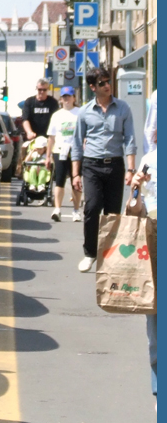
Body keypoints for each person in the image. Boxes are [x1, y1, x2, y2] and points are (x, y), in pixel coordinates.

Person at [71, 66, 138, 272]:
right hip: (92, 165)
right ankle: (90, 253)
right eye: (102, 83)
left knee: (112, 213)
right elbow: (76, 143)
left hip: (115, 165)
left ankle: (109, 255)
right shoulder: (84, 112)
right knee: (92, 208)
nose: (107, 86)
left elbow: (130, 140)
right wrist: (75, 173)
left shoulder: (123, 108)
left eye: (108, 81)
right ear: (93, 87)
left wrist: (130, 170)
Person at [132, 121, 157, 409]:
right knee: (156, 319)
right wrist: (136, 189)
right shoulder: (150, 161)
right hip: (154, 238)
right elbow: (134, 210)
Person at [45, 86, 82, 222]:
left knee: (75, 182)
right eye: (64, 97)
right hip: (60, 150)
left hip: (76, 151)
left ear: (74, 98)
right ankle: (57, 209)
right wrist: (48, 156)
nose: (66, 99)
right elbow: (51, 137)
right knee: (59, 181)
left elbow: (84, 133)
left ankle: (76, 210)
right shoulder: (56, 115)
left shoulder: (79, 113)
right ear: (61, 99)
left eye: (69, 96)